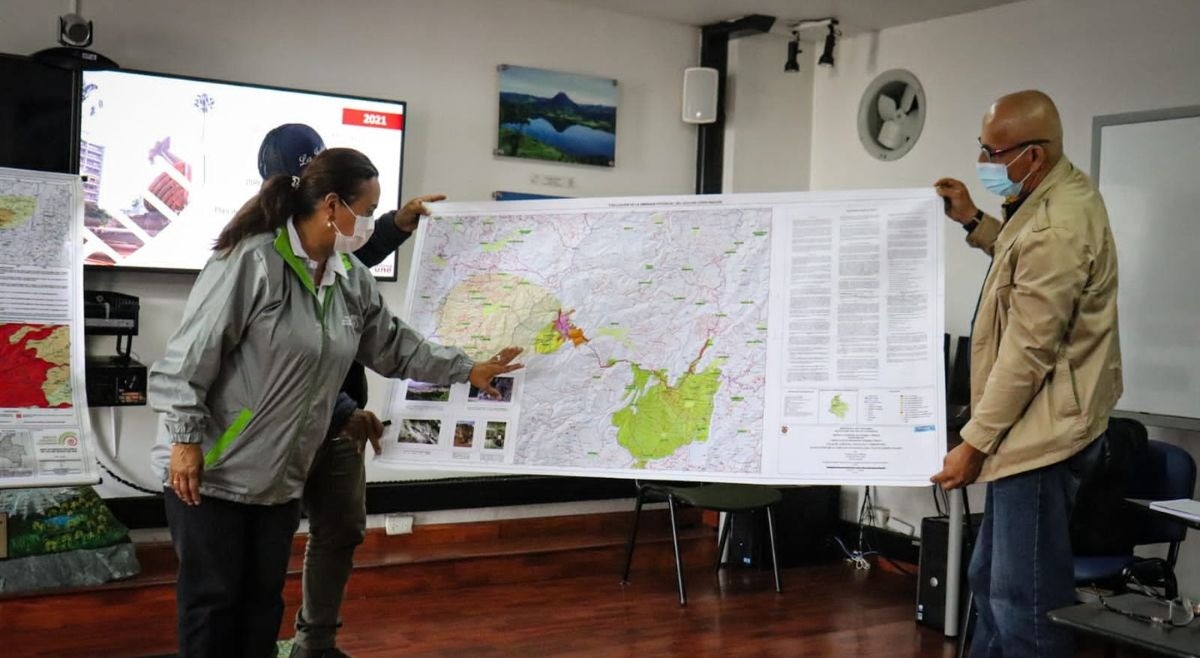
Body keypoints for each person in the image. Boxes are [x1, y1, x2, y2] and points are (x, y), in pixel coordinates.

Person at [149, 147, 523, 658]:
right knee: (214, 604)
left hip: (281, 479)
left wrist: (468, 370)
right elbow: (187, 358)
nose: (369, 224)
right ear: (332, 206)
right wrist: (185, 440)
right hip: (214, 470)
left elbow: (395, 346)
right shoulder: (253, 261)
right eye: (367, 212)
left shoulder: (350, 278)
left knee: (261, 605)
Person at [932, 90, 1122, 658]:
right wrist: (972, 220)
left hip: (1041, 440)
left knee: (1024, 606)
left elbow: (1028, 352)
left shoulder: (1056, 225)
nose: (985, 162)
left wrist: (973, 441)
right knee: (989, 581)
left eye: (993, 152)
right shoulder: (1052, 195)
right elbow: (1021, 265)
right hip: (1035, 428)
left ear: (1032, 155)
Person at [257, 123, 444, 658]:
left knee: (340, 530)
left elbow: (353, 267)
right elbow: (272, 366)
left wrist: (395, 225)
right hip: (278, 429)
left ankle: (315, 644)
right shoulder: (258, 254)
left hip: (341, 421)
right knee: (263, 543)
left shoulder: (336, 258)